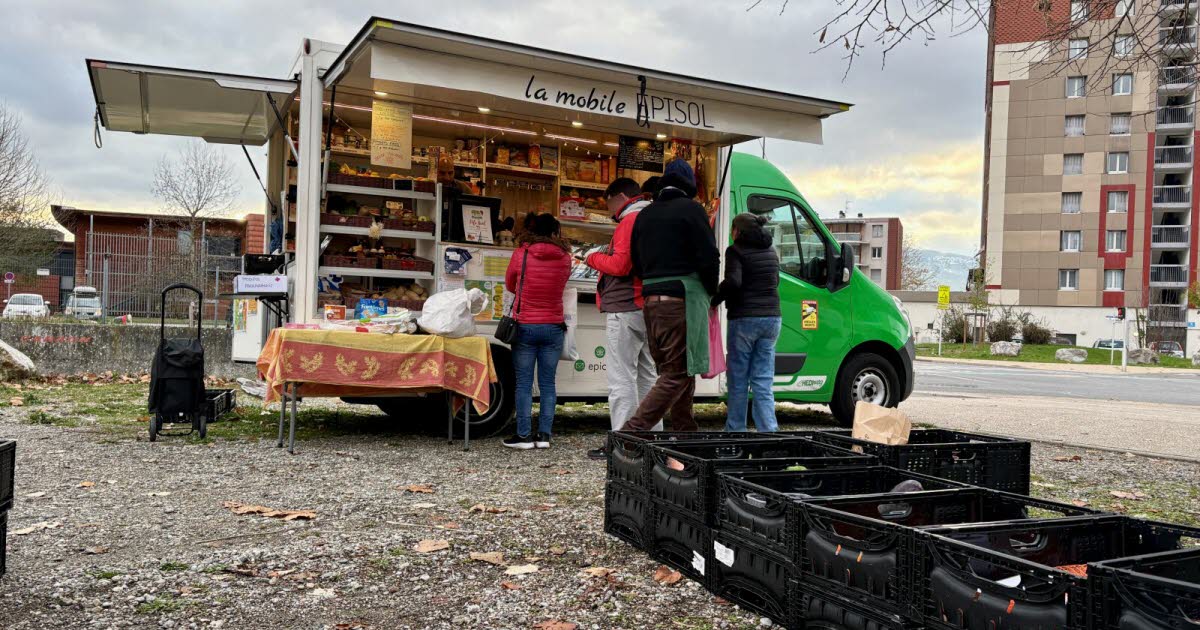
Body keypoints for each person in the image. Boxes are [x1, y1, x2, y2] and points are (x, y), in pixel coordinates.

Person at [620, 159, 721, 432]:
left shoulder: (643, 215)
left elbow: (636, 262)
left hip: (651, 301)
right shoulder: (692, 210)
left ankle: (685, 431)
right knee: (676, 373)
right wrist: (712, 291)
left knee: (679, 370)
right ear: (690, 186)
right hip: (682, 301)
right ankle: (630, 434)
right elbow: (709, 258)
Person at [583, 178, 660, 460]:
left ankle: (624, 444)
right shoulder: (652, 217)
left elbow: (620, 265)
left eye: (609, 203)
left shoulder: (630, 220)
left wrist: (592, 257)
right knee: (647, 376)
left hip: (625, 305)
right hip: (646, 304)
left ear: (619, 197)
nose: (610, 210)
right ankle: (652, 439)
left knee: (621, 378)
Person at [502, 213, 571, 450]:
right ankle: (544, 436)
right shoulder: (565, 257)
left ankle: (523, 436)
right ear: (555, 232)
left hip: (525, 326)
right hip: (553, 326)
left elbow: (510, 284)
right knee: (548, 384)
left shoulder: (522, 253)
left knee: (523, 383)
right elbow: (563, 283)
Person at [712, 212, 781, 432]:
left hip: (745, 319)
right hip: (771, 319)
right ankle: (768, 432)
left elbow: (733, 281)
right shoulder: (771, 251)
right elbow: (775, 281)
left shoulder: (736, 250)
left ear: (738, 231)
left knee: (739, 378)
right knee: (762, 379)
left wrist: (714, 300)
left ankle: (736, 431)